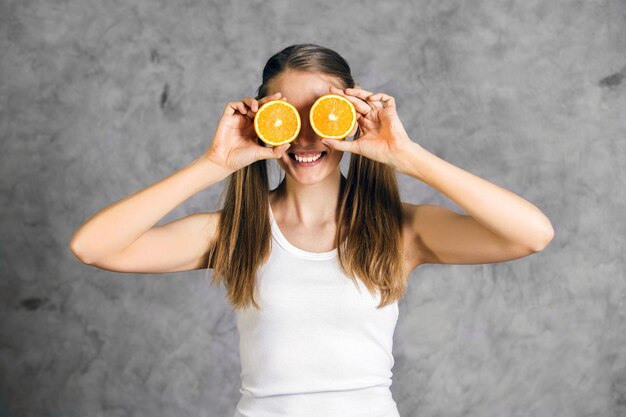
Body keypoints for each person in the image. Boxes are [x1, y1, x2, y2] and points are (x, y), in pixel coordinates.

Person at [69, 43, 554, 417]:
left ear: (351, 120)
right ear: (263, 122)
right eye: (288, 117)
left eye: (322, 116)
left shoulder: (401, 230)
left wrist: (407, 156)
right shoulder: (235, 232)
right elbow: (92, 246)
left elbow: (531, 234)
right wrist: (214, 163)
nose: (305, 136)